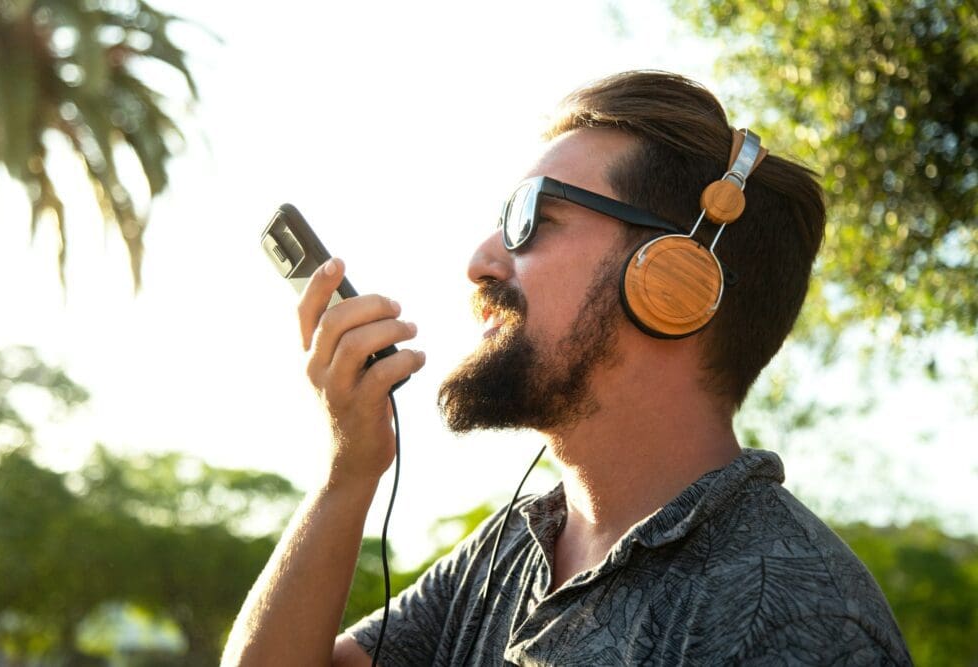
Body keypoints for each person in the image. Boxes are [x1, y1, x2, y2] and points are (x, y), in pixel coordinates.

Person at [222, 71, 911, 666]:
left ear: (674, 278)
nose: (480, 262)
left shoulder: (793, 614)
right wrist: (348, 474)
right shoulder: (513, 548)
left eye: (532, 218)